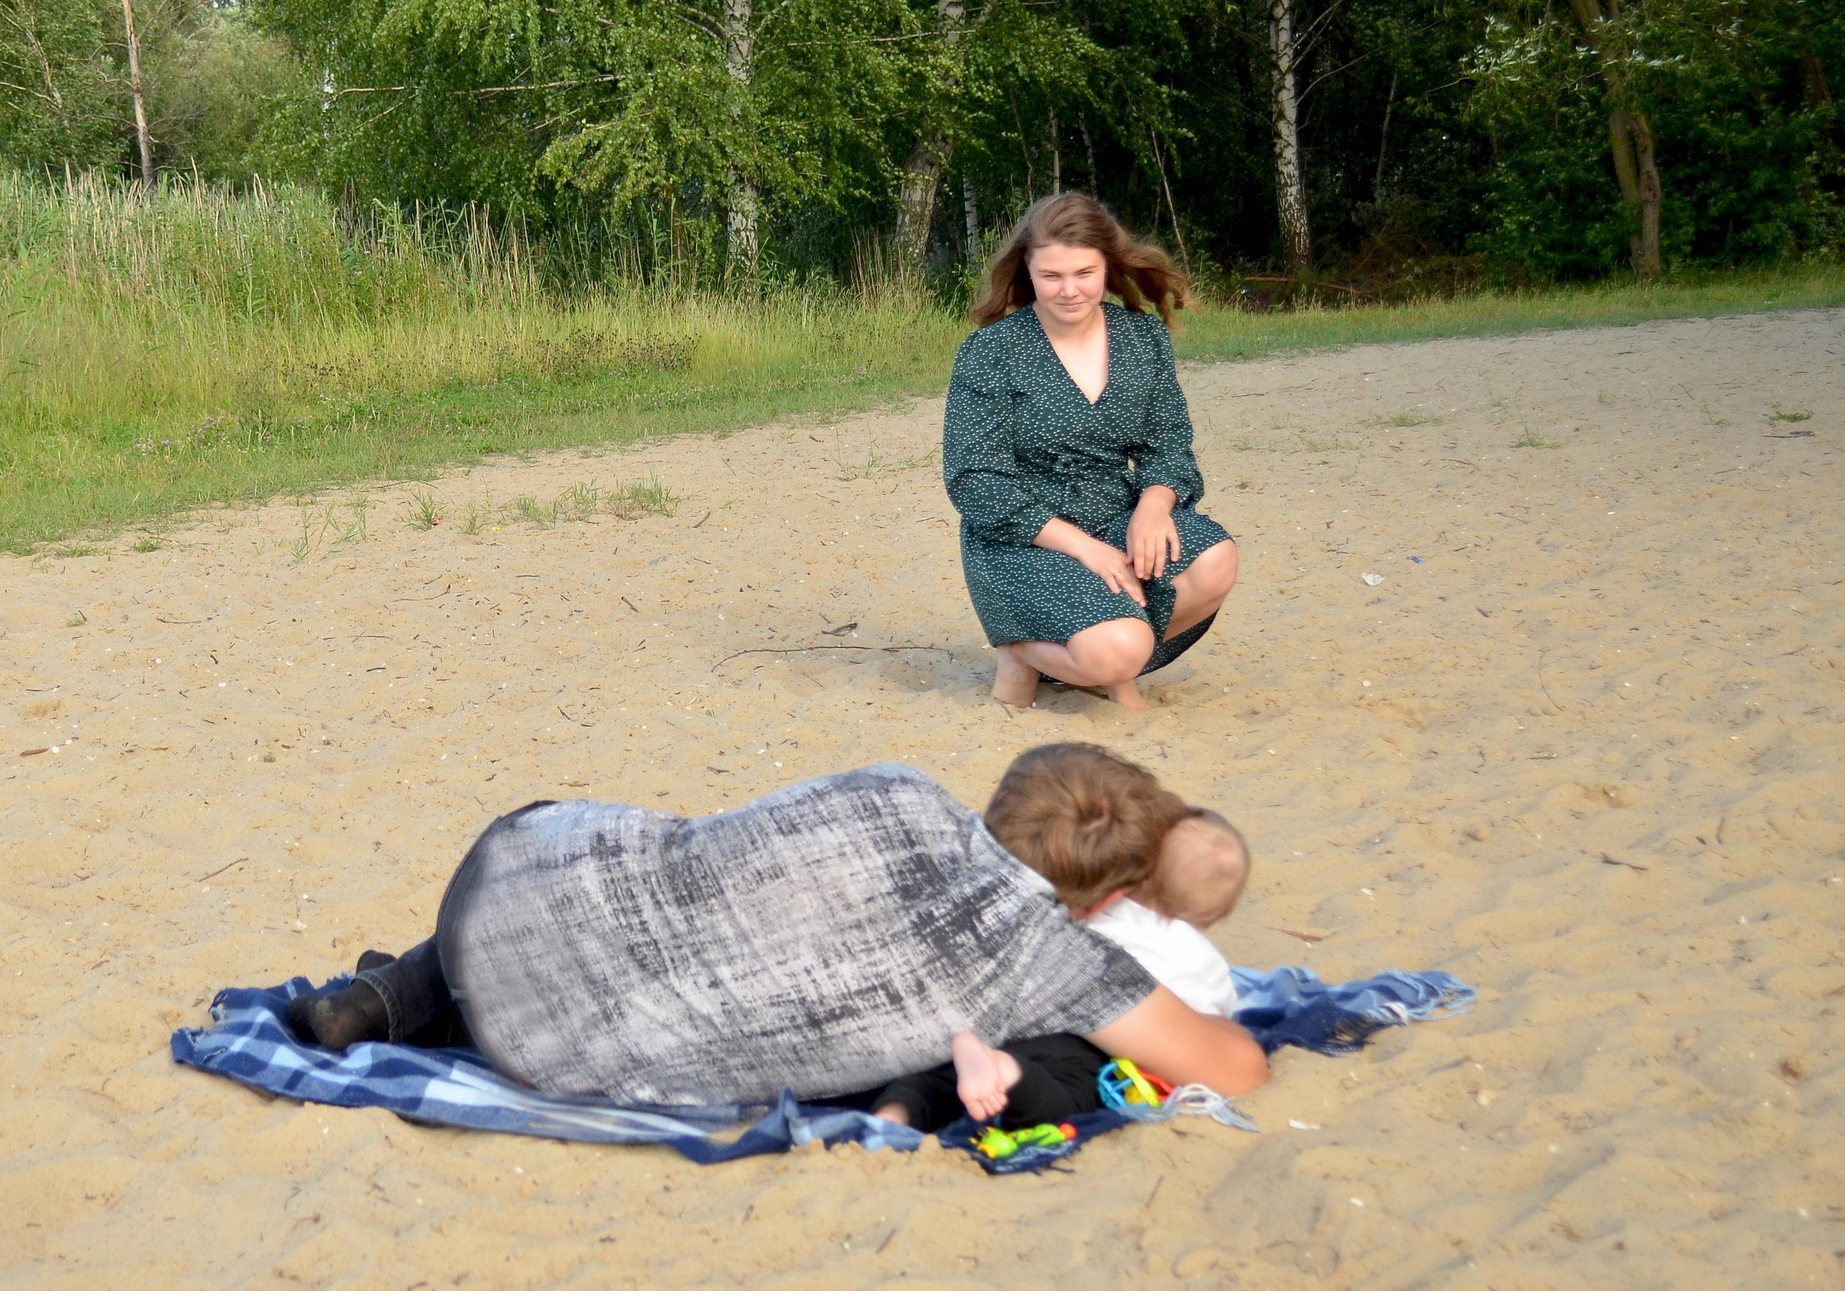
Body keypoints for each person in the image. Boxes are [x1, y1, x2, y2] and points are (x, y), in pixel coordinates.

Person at [288, 761, 1268, 1114]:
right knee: (647, 992)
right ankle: (410, 1000)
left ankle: (388, 994)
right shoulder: (1050, 962)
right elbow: (1231, 1066)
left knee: (646, 875)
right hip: (560, 1053)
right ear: (1105, 899)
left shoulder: (901, 790)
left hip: (502, 875)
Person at [944, 192, 1241, 709]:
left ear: (1108, 264)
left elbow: (1168, 441)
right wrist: (1084, 547)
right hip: (1024, 537)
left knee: (1215, 559)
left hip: (1115, 511)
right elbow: (975, 480)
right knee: (1119, 649)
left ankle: (1107, 650)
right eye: (1051, 276)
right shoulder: (990, 350)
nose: (1068, 290)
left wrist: (1153, 505)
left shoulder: (1142, 337)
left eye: (1084, 273)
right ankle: (1026, 652)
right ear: (1027, 273)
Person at [865, 746, 1250, 1131]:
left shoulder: (909, 802)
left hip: (932, 1026)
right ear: (1108, 897)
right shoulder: (1084, 953)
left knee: (931, 1076)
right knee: (1073, 1086)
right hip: (1070, 1041)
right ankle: (1009, 1074)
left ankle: (899, 1108)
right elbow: (1233, 1062)